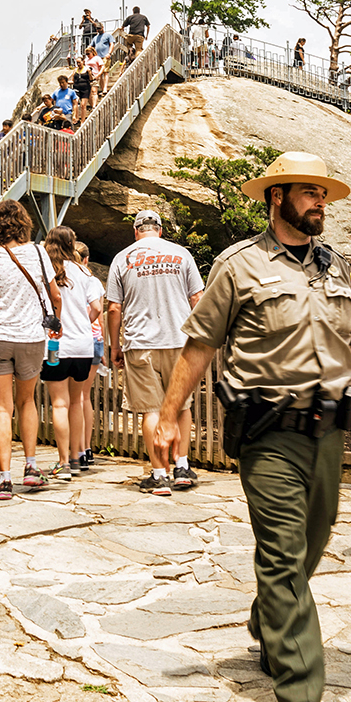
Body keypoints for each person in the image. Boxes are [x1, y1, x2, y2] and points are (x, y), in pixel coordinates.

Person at [153, 153, 351, 702]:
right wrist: (167, 413)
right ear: (277, 197)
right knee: (284, 553)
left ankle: (269, 621)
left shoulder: (336, 268)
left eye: (324, 193)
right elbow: (201, 343)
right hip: (265, 433)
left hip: (327, 434)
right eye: (310, 193)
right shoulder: (239, 266)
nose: (320, 203)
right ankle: (301, 700)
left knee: (313, 542)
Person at [0, 200, 63, 500]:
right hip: (30, 336)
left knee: (0, 407)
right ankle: (32, 468)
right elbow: (55, 295)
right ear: (24, 224)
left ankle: (4, 478)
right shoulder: (37, 252)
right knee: (27, 402)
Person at [106, 209, 203, 495]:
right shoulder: (181, 254)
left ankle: (159, 474)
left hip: (140, 344)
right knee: (182, 405)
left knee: (150, 409)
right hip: (180, 340)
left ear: (136, 232)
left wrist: (115, 346)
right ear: (159, 230)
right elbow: (197, 297)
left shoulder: (122, 258)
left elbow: (114, 307)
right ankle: (182, 466)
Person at [41, 227, 104, 481]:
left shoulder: (48, 272)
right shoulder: (84, 271)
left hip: (57, 347)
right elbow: (97, 307)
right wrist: (81, 323)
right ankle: (78, 458)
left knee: (59, 403)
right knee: (77, 401)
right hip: (83, 345)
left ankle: (63, 463)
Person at [75, 241, 105, 468]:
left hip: (76, 339)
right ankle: (87, 448)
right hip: (95, 340)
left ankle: (76, 449)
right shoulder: (94, 281)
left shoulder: (68, 279)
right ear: (86, 259)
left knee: (73, 398)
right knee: (85, 396)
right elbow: (100, 315)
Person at [71, 58, 94, 123]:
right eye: (77, 62)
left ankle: (82, 121)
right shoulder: (75, 70)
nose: (78, 64)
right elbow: (73, 80)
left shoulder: (87, 69)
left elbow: (91, 79)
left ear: (83, 62)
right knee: (75, 101)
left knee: (83, 105)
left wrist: (89, 73)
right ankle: (76, 117)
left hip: (85, 88)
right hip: (76, 88)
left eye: (79, 62)